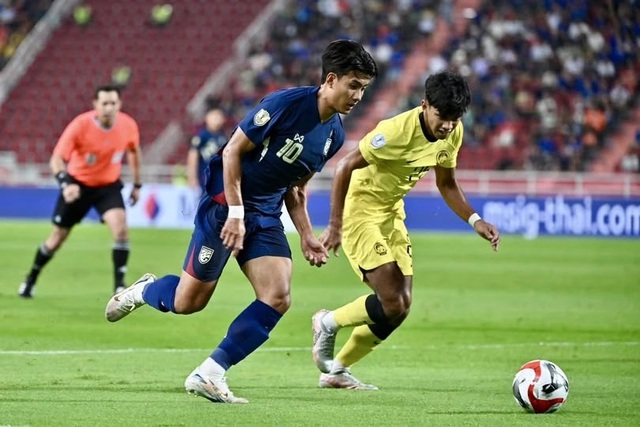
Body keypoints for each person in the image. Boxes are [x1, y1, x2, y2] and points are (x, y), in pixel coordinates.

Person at [105, 40, 378, 404]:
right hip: (224, 206)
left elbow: (295, 188)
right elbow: (233, 150)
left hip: (264, 214)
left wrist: (307, 235)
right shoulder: (285, 105)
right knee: (188, 302)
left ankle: (209, 373)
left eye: (364, 88)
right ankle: (143, 291)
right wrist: (234, 213)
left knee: (278, 296)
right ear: (331, 79)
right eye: (354, 85)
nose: (359, 95)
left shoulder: (334, 135)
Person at [311, 70, 501, 390]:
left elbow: (446, 183)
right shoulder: (394, 132)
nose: (448, 126)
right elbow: (344, 166)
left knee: (400, 308)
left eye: (455, 118)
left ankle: (337, 370)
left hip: (392, 212)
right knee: (391, 300)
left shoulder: (452, 132)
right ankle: (327, 322)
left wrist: (475, 219)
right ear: (425, 105)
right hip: (361, 211)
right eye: (443, 117)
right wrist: (335, 225)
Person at [18, 84, 143, 298]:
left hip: (107, 186)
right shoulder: (80, 125)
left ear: (119, 104)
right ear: (95, 104)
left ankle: (120, 287)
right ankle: (31, 278)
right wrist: (66, 184)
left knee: (121, 229)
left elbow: (134, 151)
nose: (109, 107)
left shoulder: (128, 125)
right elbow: (57, 159)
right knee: (57, 238)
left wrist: (137, 185)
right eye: (104, 103)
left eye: (113, 103)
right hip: (78, 186)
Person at [187, 106, 227, 194]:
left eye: (220, 116)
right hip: (206, 177)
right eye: (214, 116)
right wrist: (192, 177)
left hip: (220, 178)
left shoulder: (223, 136)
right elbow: (193, 155)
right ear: (207, 118)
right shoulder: (202, 136)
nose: (217, 118)